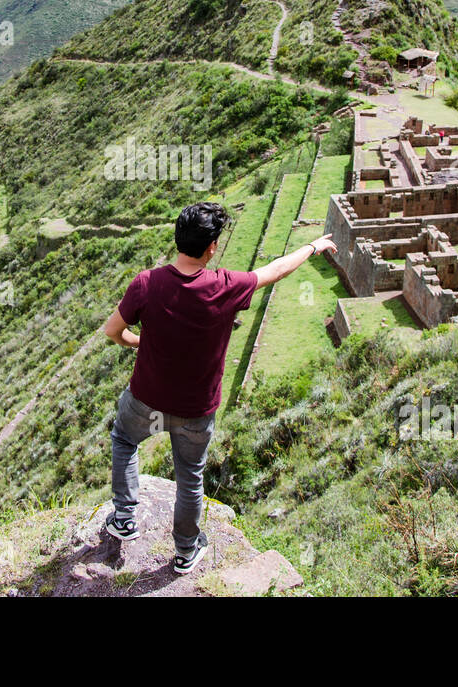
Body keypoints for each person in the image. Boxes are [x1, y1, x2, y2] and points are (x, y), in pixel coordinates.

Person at [100, 201, 337, 573]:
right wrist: (313, 247)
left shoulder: (147, 283)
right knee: (190, 478)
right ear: (211, 248)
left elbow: (113, 331)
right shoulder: (224, 286)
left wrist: (137, 342)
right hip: (197, 408)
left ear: (179, 237)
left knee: (125, 440)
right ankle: (184, 551)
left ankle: (125, 519)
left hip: (147, 400)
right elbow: (275, 270)